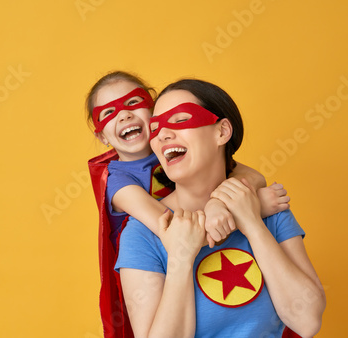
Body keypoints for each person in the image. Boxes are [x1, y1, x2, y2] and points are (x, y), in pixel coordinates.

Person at [114, 79, 326, 337]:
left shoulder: (267, 208)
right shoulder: (142, 233)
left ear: (222, 132)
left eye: (180, 120)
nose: (163, 134)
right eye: (156, 127)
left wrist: (252, 223)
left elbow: (307, 322)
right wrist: (180, 259)